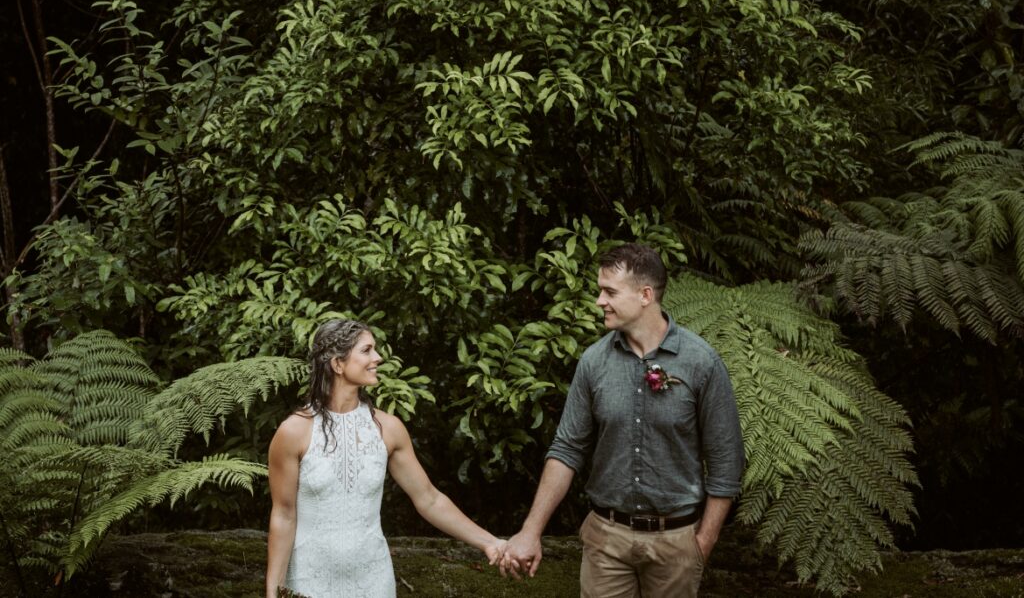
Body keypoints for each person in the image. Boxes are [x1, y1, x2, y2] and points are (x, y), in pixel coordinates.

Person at [501, 243, 745, 597]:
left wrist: (702, 544)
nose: (600, 300)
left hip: (676, 543)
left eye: (610, 291)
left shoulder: (701, 363)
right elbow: (567, 449)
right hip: (606, 540)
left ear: (645, 295)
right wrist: (530, 531)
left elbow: (726, 462)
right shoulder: (593, 362)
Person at [266, 319, 505, 598]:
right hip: (309, 581)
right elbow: (283, 516)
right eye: (367, 351)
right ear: (338, 364)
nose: (378, 358)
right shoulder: (293, 431)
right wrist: (274, 592)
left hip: (373, 582)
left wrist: (489, 543)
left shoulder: (388, 429)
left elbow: (429, 499)